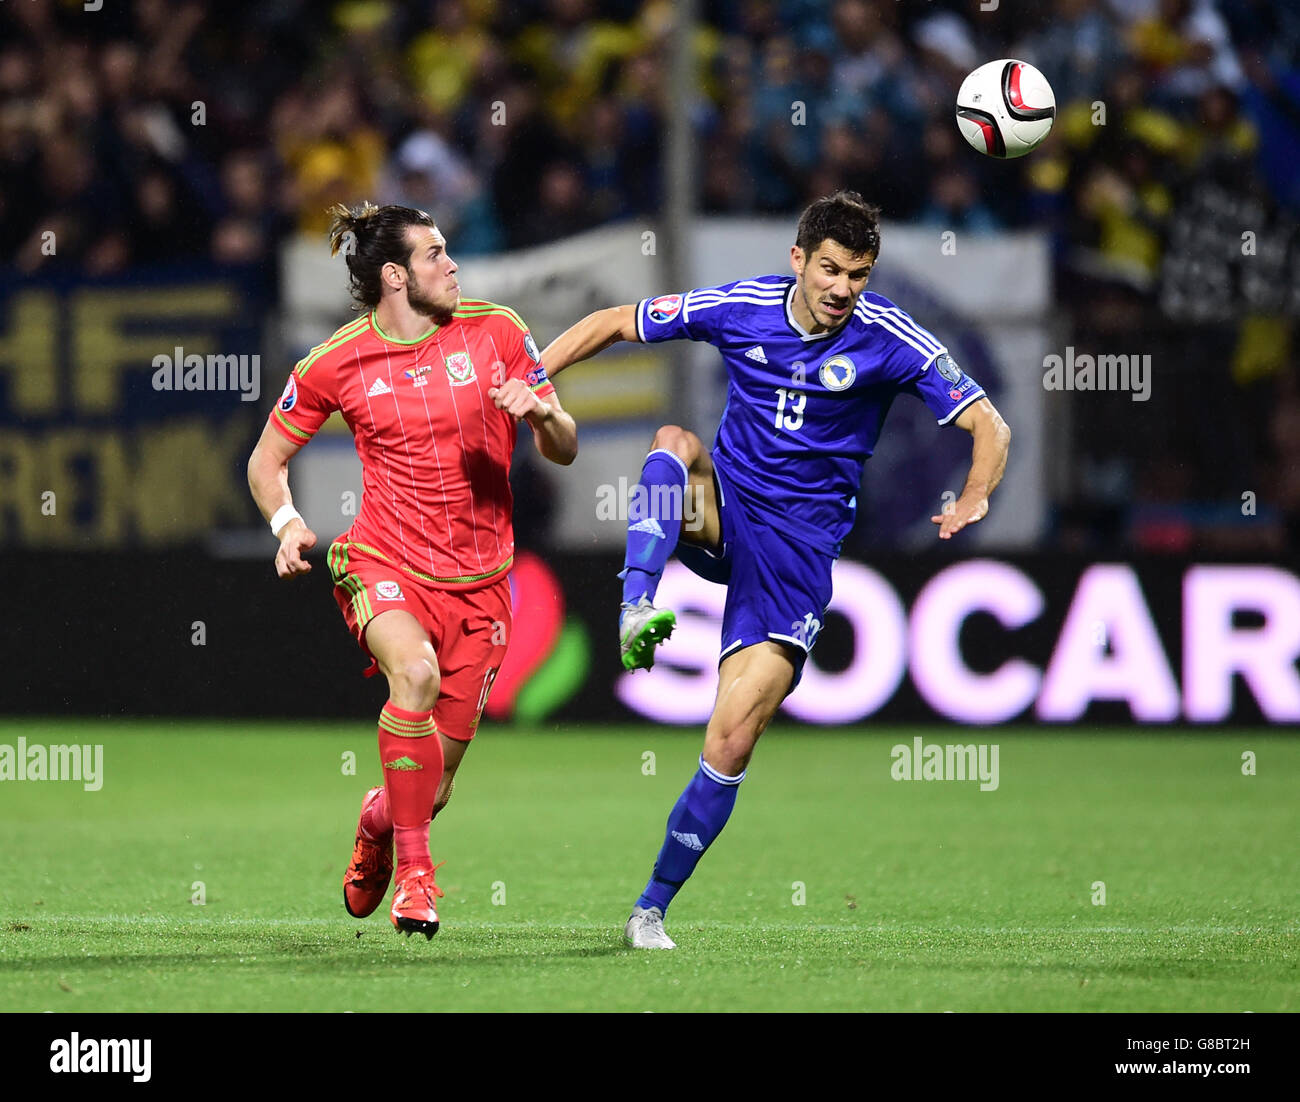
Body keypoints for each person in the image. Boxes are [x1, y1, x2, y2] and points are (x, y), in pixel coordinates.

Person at [540, 190, 1010, 948]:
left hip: (796, 558)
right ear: (798, 259)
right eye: (829, 269)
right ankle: (636, 605)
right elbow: (613, 321)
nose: (842, 289)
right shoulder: (741, 306)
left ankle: (649, 909)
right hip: (725, 510)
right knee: (671, 440)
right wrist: (536, 376)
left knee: (729, 743)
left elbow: (987, 419)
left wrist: (975, 495)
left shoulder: (890, 337)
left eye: (858, 275)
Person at [247, 202, 577, 939]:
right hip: (382, 561)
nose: (452, 264)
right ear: (395, 275)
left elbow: (566, 446)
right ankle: (418, 882)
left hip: (483, 583)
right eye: (435, 254)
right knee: (415, 677)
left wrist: (544, 416)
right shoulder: (336, 360)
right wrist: (287, 523)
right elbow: (265, 460)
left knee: (431, 790)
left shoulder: (498, 332)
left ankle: (378, 827)